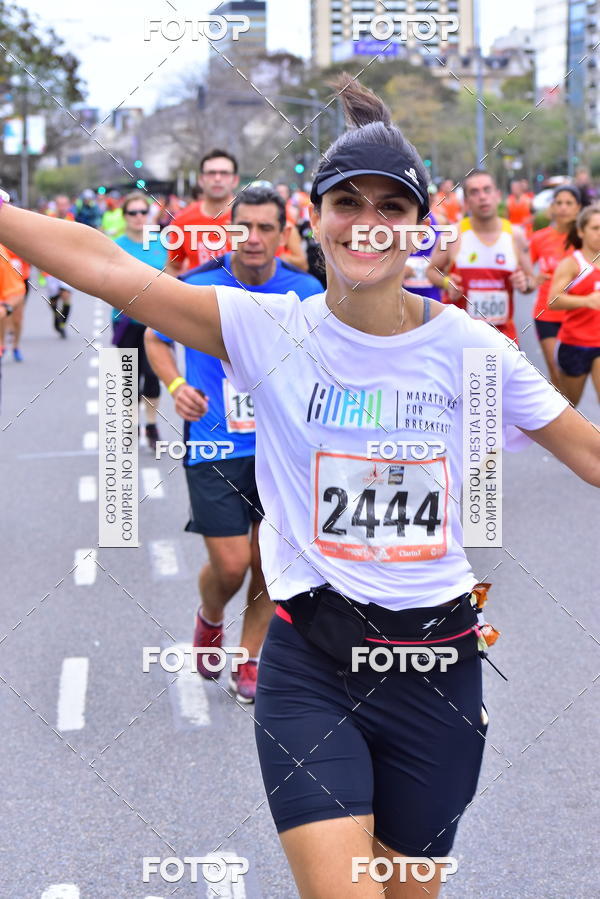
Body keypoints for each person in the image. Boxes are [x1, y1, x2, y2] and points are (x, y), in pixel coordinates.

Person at [0, 77, 599, 898]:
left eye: (392, 207)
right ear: (311, 219)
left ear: (420, 230)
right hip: (311, 662)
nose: (368, 223)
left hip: (437, 666)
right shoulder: (265, 326)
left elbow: (588, 452)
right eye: (346, 201)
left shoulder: (469, 350)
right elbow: (107, 269)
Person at [145, 186, 323, 703]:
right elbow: (155, 335)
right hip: (215, 447)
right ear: (229, 231)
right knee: (231, 565)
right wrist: (176, 387)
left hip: (281, 448)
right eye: (244, 227)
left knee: (270, 561)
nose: (254, 238)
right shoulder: (198, 285)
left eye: (266, 228)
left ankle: (249, 657)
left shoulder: (304, 288)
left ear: (283, 234)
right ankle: (210, 617)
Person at [427, 169, 536, 343]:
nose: (482, 197)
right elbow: (431, 271)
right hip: (462, 335)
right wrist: (447, 282)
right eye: (474, 192)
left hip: (502, 336)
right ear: (467, 201)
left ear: (498, 195)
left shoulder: (515, 235)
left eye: (487, 190)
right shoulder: (452, 235)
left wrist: (525, 283)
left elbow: (531, 282)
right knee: (474, 370)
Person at [113, 191, 168, 450]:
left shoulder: (161, 243)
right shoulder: (116, 245)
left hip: (156, 320)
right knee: (129, 377)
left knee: (152, 373)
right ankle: (132, 423)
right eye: (132, 213)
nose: (138, 217)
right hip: (125, 320)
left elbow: (172, 278)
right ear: (124, 216)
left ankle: (151, 424)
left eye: (142, 212)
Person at [529, 185, 582, 387]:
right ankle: (564, 417)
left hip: (578, 314)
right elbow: (525, 271)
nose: (563, 208)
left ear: (578, 207)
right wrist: (532, 280)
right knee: (556, 370)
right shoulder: (539, 238)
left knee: (573, 375)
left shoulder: (586, 238)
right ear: (552, 207)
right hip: (547, 313)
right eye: (558, 203)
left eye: (569, 203)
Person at [549, 204, 600, 407]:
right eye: (595, 228)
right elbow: (552, 300)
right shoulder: (573, 264)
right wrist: (586, 301)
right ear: (581, 231)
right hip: (574, 345)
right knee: (569, 409)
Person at [166, 149, 240, 276]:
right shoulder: (182, 221)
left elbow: (278, 261)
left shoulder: (254, 217)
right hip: (197, 293)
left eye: (224, 173)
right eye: (211, 173)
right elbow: (173, 266)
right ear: (201, 180)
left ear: (235, 180)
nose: (217, 178)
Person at [0, 243, 26, 370]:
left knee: (17, 318)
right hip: (5, 283)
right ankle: (2, 344)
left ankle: (15, 346)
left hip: (19, 281)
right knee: (4, 318)